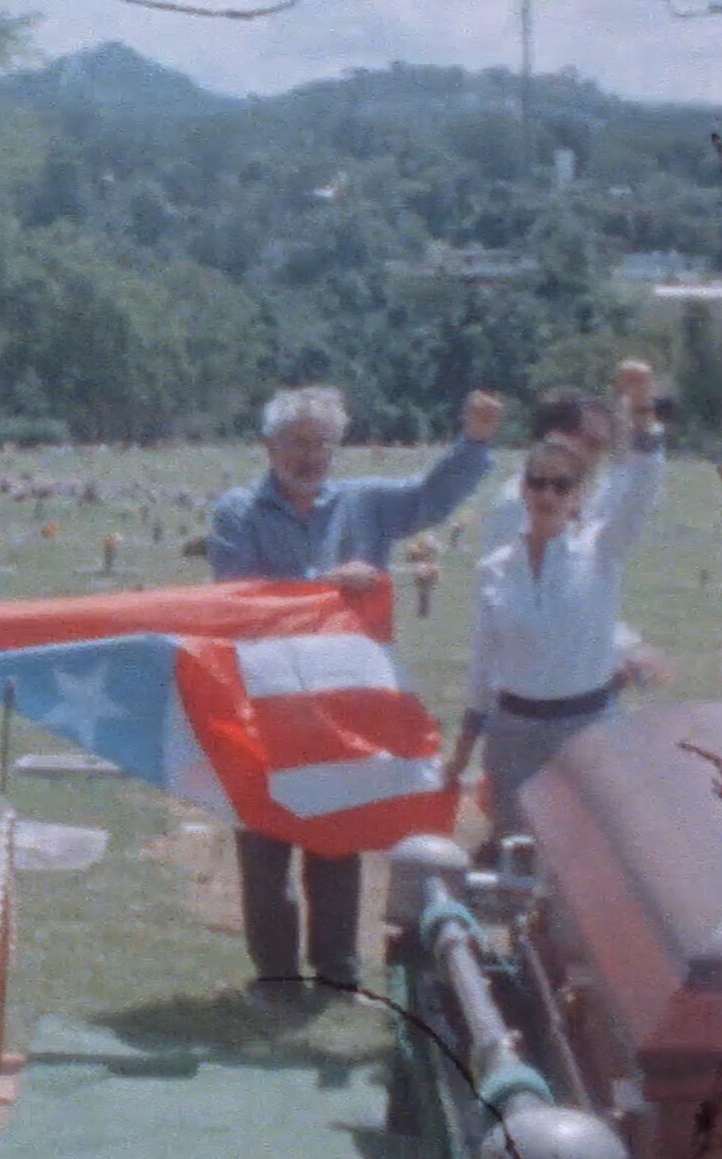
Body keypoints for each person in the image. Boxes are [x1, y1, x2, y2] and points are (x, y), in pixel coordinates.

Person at [207, 383, 501, 1008]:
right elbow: (239, 602)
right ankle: (276, 979)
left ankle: (339, 977)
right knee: (264, 844)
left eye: (322, 443)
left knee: (336, 839)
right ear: (269, 446)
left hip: (341, 707)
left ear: (337, 447)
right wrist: (324, 587)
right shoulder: (237, 513)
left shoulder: (363, 503)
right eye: (296, 443)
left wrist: (474, 442)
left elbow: (430, 499)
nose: (310, 456)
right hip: (262, 701)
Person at [446, 382, 669, 843]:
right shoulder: (502, 547)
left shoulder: (599, 543)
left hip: (586, 722)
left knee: (587, 851)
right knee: (515, 852)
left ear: (578, 492)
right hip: (516, 727)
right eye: (538, 482)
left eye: (562, 484)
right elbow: (490, 654)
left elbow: (641, 489)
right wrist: (464, 748)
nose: (548, 493)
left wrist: (645, 419)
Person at [478, 366, 671, 691]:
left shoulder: (581, 497)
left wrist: (625, 648)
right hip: (534, 692)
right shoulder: (519, 505)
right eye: (594, 444)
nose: (599, 457)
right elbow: (533, 610)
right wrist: (621, 649)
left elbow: (635, 488)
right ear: (555, 438)